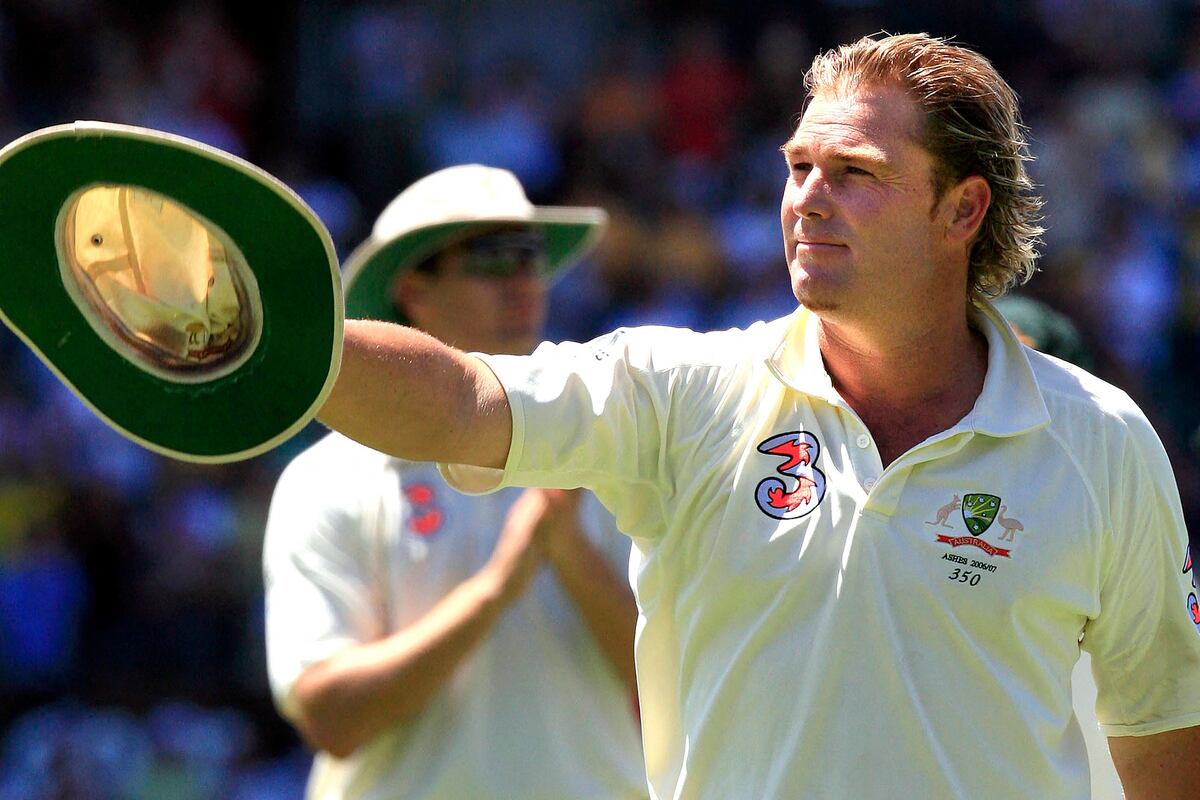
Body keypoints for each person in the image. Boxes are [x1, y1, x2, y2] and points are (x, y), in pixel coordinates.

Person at [317, 34, 1200, 798]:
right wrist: (281, 345)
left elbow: (1164, 741)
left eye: (856, 173)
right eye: (798, 166)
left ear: (963, 209)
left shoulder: (1101, 441)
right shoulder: (683, 390)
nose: (807, 197)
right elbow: (466, 400)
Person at [263, 165, 648, 800]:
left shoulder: (611, 444)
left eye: (531, 257)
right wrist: (497, 588)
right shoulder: (328, 477)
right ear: (413, 290)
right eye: (492, 257)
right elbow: (331, 716)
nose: (525, 281)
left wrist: (569, 551)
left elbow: (677, 681)